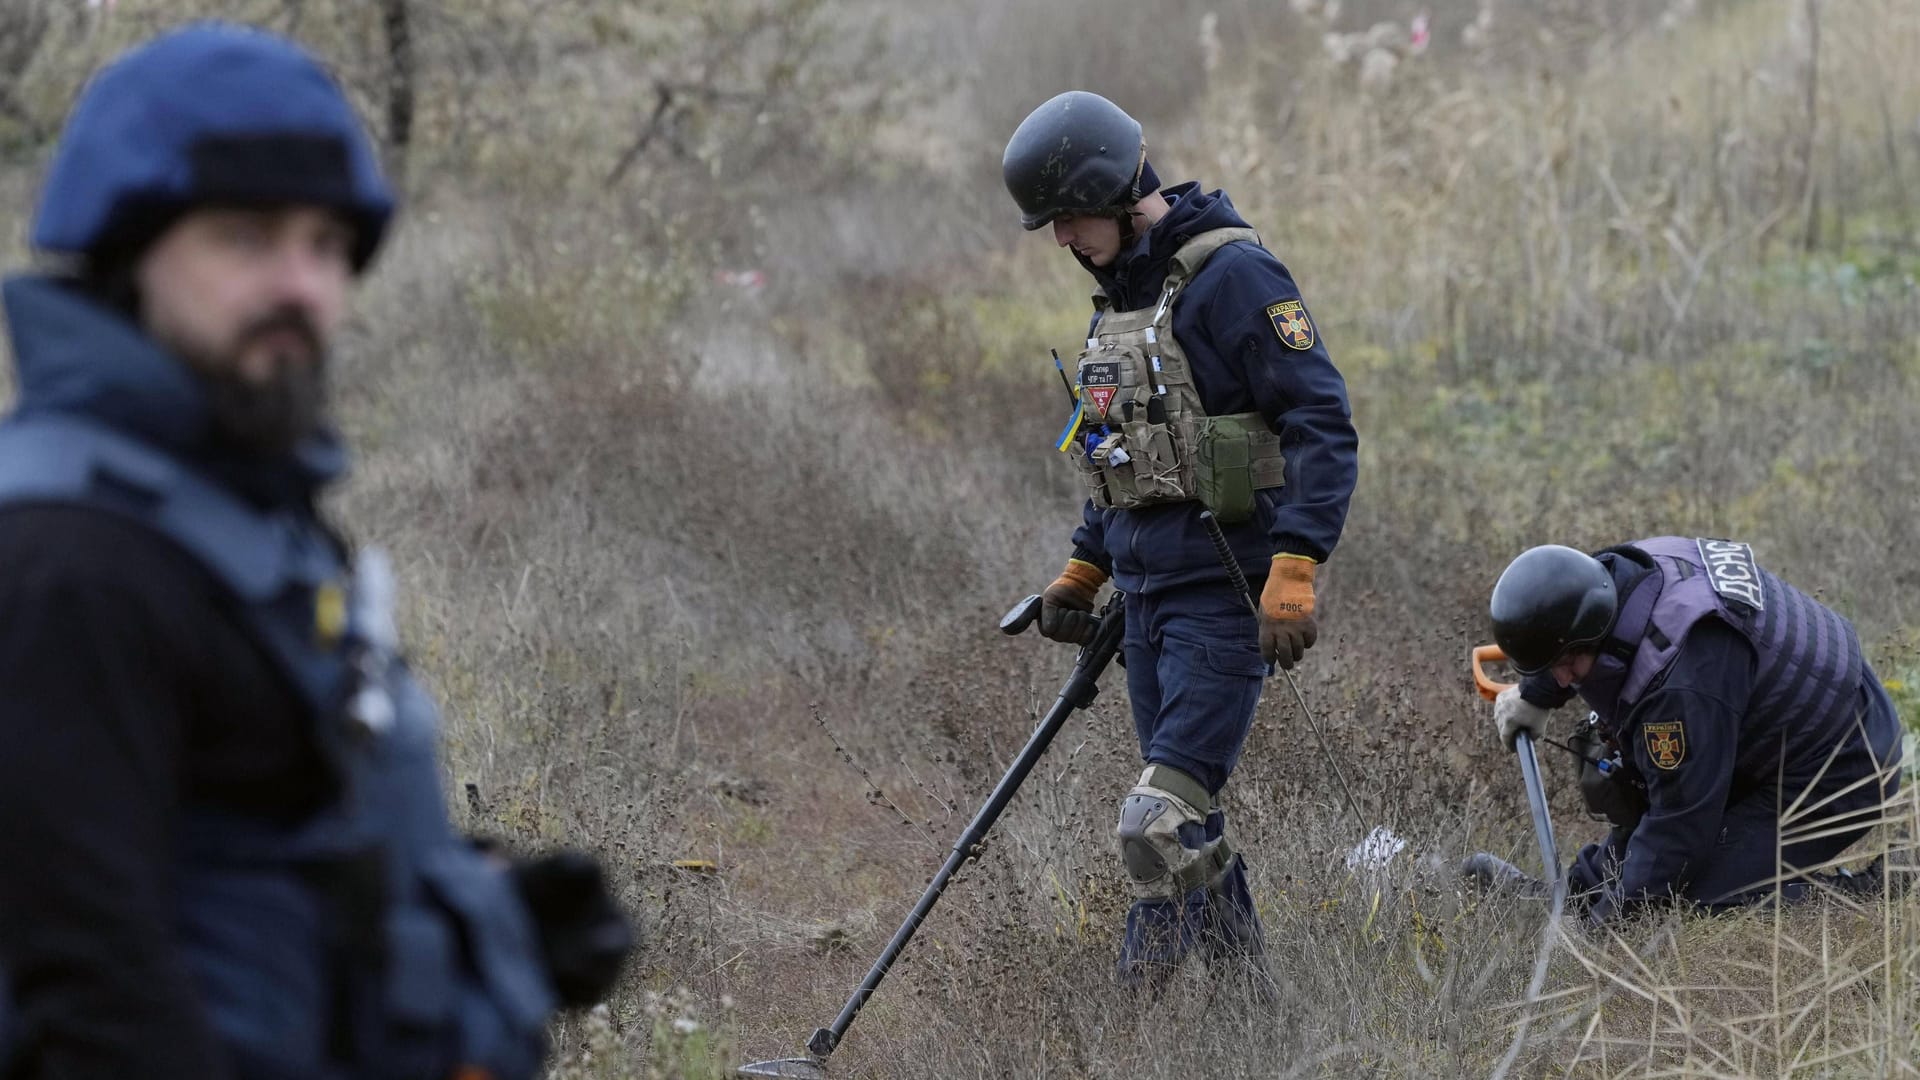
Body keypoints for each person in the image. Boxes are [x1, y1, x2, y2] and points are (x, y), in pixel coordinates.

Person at [0, 23, 631, 1078]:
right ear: (127, 252)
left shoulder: (229, 507)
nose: (301, 284)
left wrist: (492, 922)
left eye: (327, 245)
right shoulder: (71, 563)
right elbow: (92, 993)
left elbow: (256, 854)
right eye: (247, 237)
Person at [1001, 91, 1359, 983]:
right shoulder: (1120, 303)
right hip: (1147, 605)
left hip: (1223, 599)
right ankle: (1251, 1010)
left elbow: (1323, 422)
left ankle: (1131, 1022)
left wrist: (1297, 564)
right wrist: (1085, 568)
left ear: (1118, 195)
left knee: (1153, 823)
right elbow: (1117, 453)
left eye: (1068, 218)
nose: (1060, 240)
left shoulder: (1234, 278)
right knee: (1183, 821)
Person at [1473, 539, 1903, 920]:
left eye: (1567, 666)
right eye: (1553, 668)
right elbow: (1568, 629)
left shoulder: (1681, 681)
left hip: (1846, 762)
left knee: (1696, 894)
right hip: (1775, 727)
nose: (1564, 679)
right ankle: (1570, 896)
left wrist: (1601, 931)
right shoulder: (1617, 576)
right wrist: (1536, 690)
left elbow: (1678, 829)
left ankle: (1873, 892)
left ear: (1596, 631)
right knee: (1655, 817)